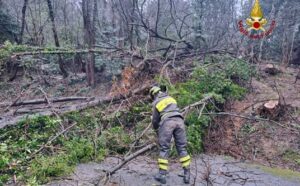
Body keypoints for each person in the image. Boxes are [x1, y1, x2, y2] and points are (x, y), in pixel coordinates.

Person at [149, 86, 191, 184]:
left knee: (164, 148)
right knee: (182, 148)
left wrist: (155, 128)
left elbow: (155, 120)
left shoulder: (156, 102)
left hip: (168, 122)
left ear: (154, 94)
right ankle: (187, 174)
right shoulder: (171, 98)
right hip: (180, 121)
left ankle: (162, 175)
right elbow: (175, 110)